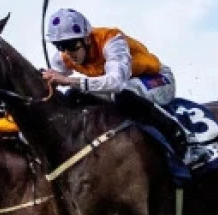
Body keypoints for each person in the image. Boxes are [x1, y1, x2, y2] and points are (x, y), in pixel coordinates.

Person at [41, 8, 188, 157]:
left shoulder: (112, 41)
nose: (68, 52)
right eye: (60, 46)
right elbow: (53, 79)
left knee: (125, 94)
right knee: (74, 95)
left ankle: (175, 132)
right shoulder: (64, 57)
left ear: (86, 39)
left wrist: (68, 80)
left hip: (157, 79)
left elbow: (116, 83)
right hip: (126, 84)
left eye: (71, 44)